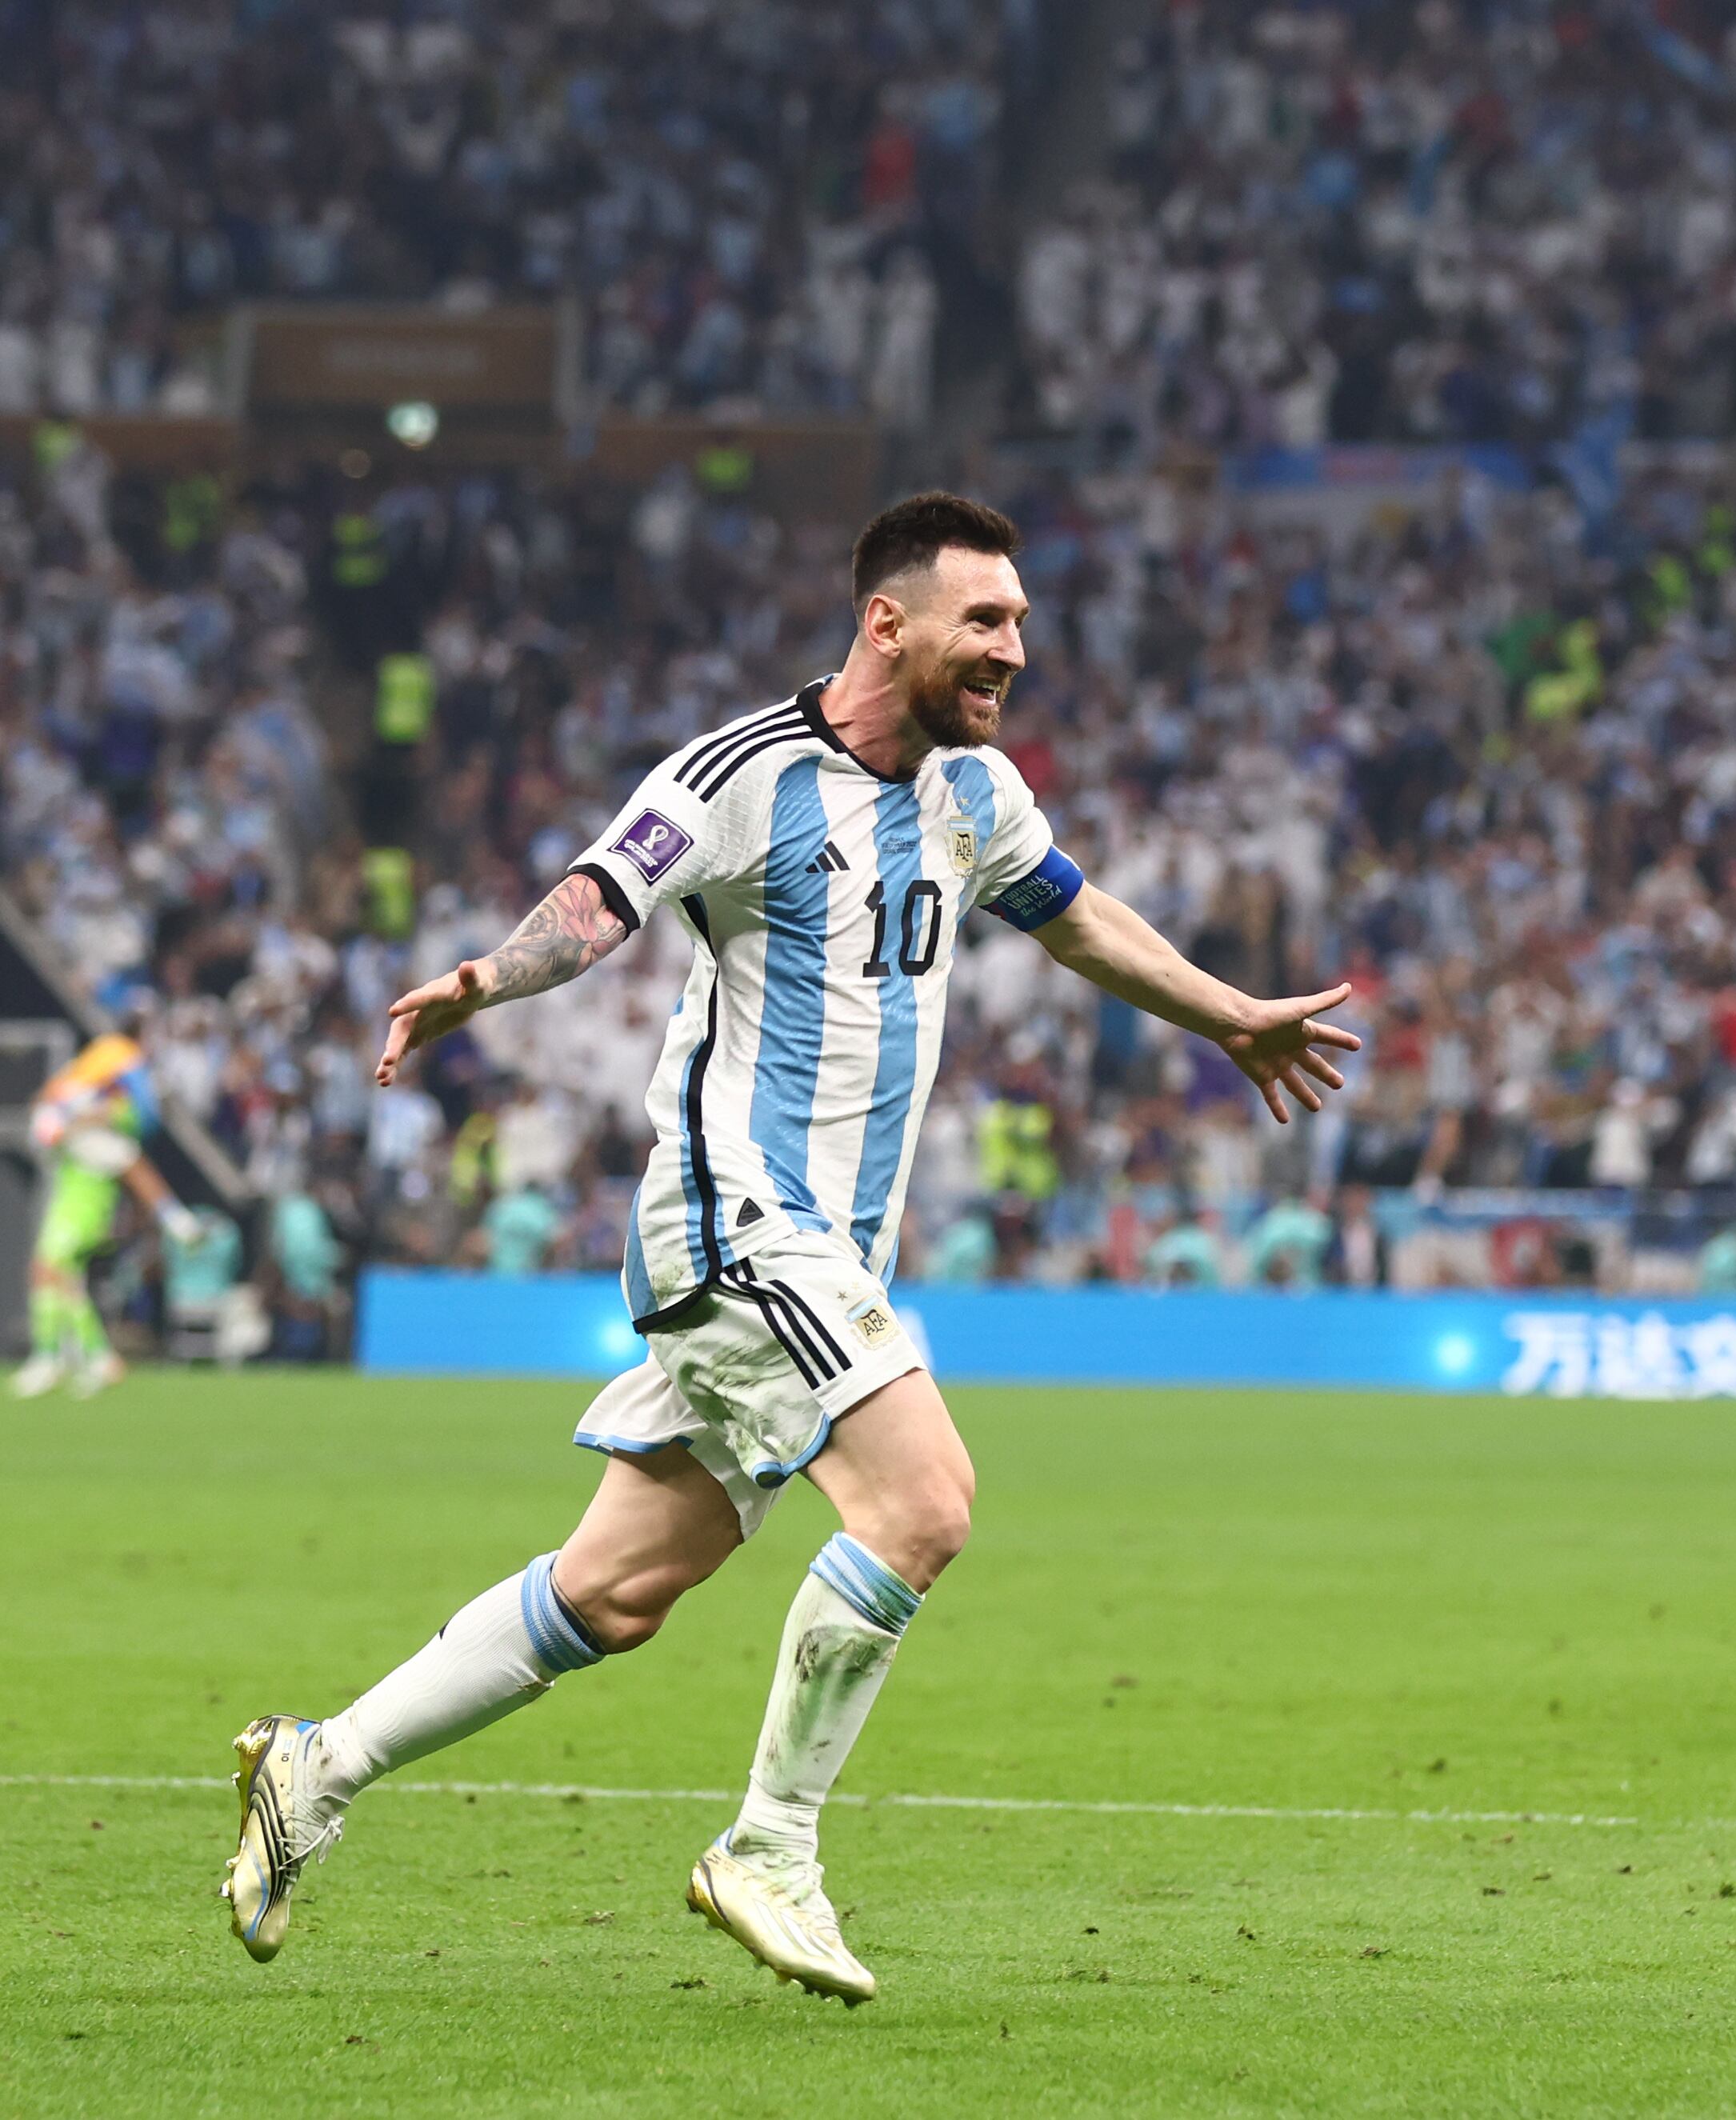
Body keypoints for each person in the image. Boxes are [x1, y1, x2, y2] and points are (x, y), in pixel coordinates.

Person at [221, 494, 1361, 2000]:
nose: (1015, 649)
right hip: (738, 1218)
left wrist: (1231, 1017)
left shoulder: (975, 790)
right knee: (925, 1504)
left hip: (832, 1249)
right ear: (889, 620)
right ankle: (770, 1845)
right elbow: (601, 896)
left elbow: (1078, 922)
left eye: (1019, 621)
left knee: (618, 1590)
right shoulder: (741, 775)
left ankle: (318, 1766)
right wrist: (485, 981)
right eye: (988, 621)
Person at [14, 1032, 191, 1400]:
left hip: (86, 1212)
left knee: (49, 1268)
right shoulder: (83, 1110)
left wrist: (174, 1218)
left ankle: (52, 1358)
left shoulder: (114, 1126)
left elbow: (139, 1171)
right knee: (62, 1279)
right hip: (67, 1205)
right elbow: (49, 1118)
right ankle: (95, 1358)